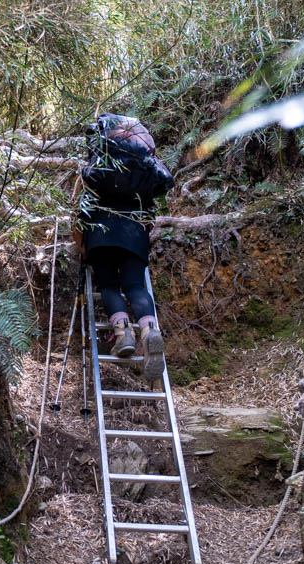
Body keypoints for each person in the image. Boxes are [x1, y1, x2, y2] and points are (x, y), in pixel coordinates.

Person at [75, 113, 174, 381]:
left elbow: (81, 212)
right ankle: (149, 329)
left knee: (109, 285)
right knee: (135, 286)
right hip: (135, 232)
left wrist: (83, 248)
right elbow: (151, 211)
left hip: (102, 233)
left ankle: (122, 333)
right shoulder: (142, 167)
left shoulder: (97, 168)